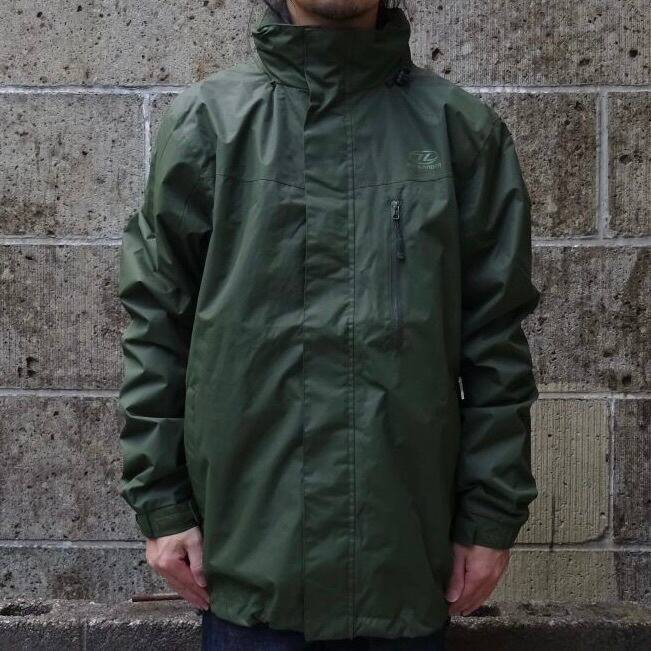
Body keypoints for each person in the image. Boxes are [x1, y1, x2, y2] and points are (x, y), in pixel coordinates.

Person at [116, 0, 541, 649]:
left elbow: (496, 343)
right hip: (247, 569)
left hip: (404, 567)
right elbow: (156, 327)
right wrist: (162, 504)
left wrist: (489, 515)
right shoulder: (207, 127)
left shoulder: (461, 133)